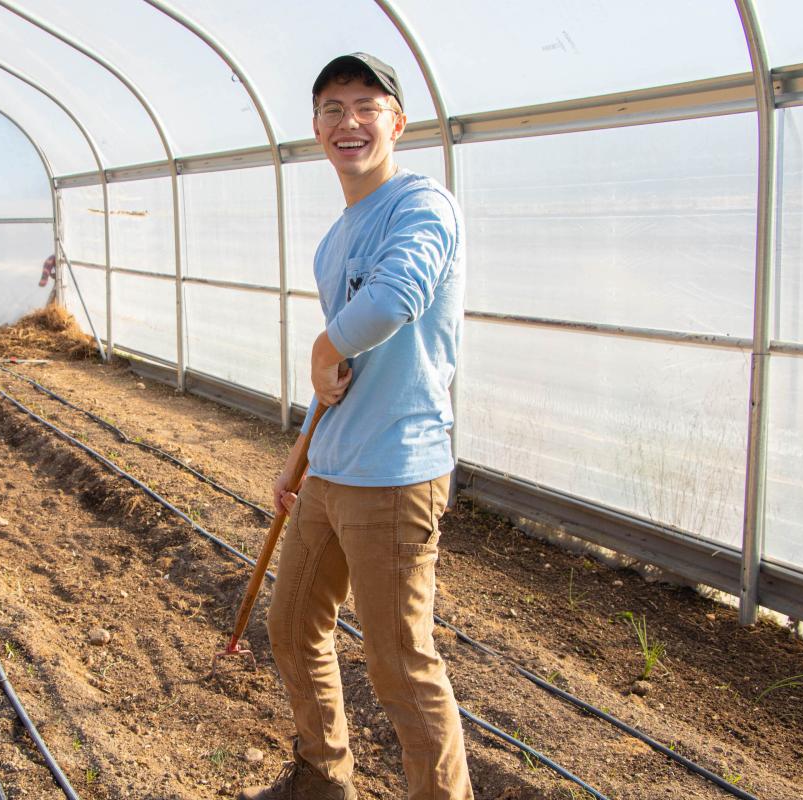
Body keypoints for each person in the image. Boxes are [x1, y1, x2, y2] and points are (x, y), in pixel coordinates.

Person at [239, 53, 473, 800]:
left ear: (396, 122)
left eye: (366, 105)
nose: (349, 121)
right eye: (333, 108)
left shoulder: (421, 206)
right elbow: (339, 376)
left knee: (400, 665)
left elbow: (397, 296)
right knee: (291, 623)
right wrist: (299, 454)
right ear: (315, 129)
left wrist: (320, 344)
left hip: (396, 474)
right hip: (331, 472)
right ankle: (322, 779)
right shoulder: (335, 238)